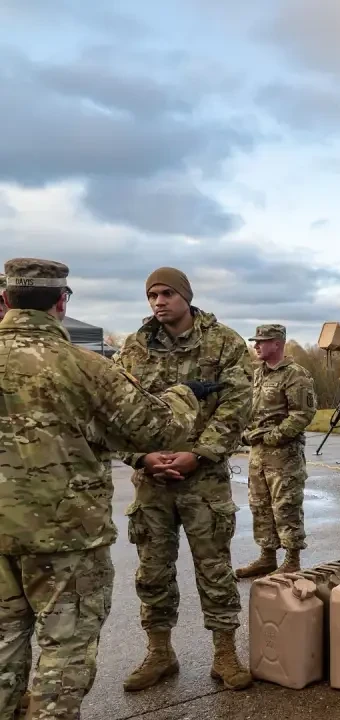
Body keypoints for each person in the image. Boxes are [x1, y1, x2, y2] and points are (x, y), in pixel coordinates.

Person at [0, 257, 212, 720]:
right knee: (64, 654)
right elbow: (156, 427)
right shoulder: (83, 367)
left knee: (3, 646)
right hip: (65, 539)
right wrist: (185, 394)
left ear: (5, 299)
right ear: (61, 302)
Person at [112, 267, 255, 692]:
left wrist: (200, 454)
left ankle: (225, 653)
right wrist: (140, 457)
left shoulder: (223, 342)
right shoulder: (134, 348)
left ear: (186, 297)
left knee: (215, 568)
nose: (158, 302)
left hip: (204, 479)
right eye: (152, 295)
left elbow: (237, 405)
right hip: (152, 480)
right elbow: (116, 410)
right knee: (152, 570)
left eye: (167, 294)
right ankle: (160, 652)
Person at [235, 324, 317, 578]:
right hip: (258, 454)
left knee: (286, 505)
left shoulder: (295, 375)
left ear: (277, 343)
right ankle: (267, 557)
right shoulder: (257, 374)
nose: (256, 345)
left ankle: (292, 560)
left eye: (262, 341)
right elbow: (249, 409)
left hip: (284, 455)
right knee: (260, 505)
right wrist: (245, 432)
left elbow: (302, 414)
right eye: (255, 341)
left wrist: (274, 436)